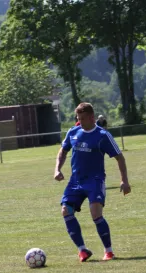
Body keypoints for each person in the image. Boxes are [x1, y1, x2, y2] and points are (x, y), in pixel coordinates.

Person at [54, 102, 131, 262]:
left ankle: (108, 251)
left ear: (91, 117)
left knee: (96, 214)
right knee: (66, 211)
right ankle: (82, 250)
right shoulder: (73, 132)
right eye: (78, 118)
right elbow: (63, 151)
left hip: (95, 181)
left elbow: (119, 157)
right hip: (75, 181)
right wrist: (57, 169)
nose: (79, 122)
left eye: (82, 118)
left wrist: (124, 180)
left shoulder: (102, 136)